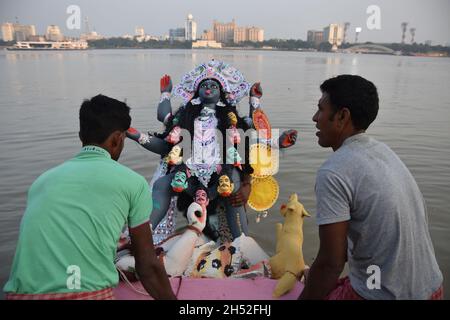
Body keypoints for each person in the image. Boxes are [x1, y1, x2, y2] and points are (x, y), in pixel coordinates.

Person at [3, 95, 176, 300]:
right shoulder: (133, 183)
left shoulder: (42, 181)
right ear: (117, 139)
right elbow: (147, 266)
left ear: (80, 136)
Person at [299, 75, 443, 300]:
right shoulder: (383, 152)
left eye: (320, 109)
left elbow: (331, 263)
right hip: (433, 289)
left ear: (342, 116)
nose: (315, 118)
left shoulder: (334, 171)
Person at [126, 60, 297, 243]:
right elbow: (164, 130)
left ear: (222, 93)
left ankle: (243, 244)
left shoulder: (233, 121)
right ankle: (141, 238)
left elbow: (257, 133)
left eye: (214, 85)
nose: (208, 87)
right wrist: (137, 131)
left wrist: (256, 104)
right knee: (161, 185)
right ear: (196, 92)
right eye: (204, 85)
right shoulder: (184, 117)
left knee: (235, 193)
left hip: (223, 177)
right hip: (187, 176)